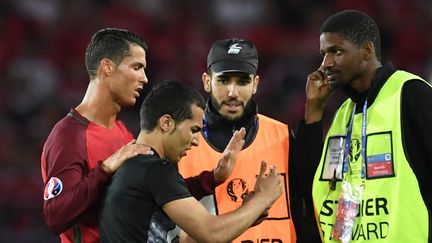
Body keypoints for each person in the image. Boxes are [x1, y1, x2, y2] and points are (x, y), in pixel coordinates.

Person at [41, 28, 245, 243]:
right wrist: (106, 168)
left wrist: (211, 179)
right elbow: (55, 216)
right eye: (136, 67)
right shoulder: (69, 136)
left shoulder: (122, 131)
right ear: (107, 67)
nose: (145, 79)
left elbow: (153, 193)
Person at [301, 10, 432, 242]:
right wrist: (314, 112)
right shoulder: (343, 113)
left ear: (367, 51)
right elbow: (313, 188)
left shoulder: (411, 93)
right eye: (323, 54)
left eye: (336, 52)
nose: (326, 64)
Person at [98, 80, 283, 243]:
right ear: (166, 123)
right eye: (193, 130)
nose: (196, 140)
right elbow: (211, 233)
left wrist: (246, 216)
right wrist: (262, 198)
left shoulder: (136, 168)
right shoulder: (155, 171)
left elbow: (189, 239)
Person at [177, 38, 301, 242]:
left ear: (255, 84)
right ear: (207, 81)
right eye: (224, 80)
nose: (232, 93)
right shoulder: (182, 142)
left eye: (243, 81)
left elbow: (305, 217)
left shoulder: (284, 136)